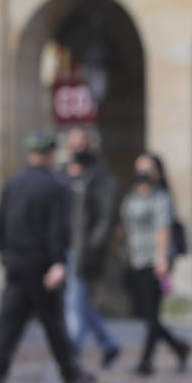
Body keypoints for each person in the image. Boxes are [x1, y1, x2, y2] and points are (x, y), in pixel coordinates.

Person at [0, 131, 92, 383]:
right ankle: (70, 372)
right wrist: (58, 262)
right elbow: (59, 228)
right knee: (54, 323)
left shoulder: (12, 182)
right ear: (51, 153)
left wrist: (5, 255)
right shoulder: (57, 185)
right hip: (44, 265)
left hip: (17, 264)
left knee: (8, 322)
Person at [119, 152, 191, 376]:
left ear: (157, 172)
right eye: (139, 167)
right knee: (144, 313)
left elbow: (163, 229)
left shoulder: (161, 197)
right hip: (134, 259)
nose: (142, 173)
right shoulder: (132, 196)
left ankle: (146, 363)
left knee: (151, 314)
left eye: (147, 168)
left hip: (155, 261)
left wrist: (161, 259)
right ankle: (179, 347)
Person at [62, 127, 121, 369]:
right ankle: (107, 344)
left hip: (83, 248)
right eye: (73, 144)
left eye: (81, 144)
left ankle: (72, 352)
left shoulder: (100, 176)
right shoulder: (63, 174)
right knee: (77, 301)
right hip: (63, 245)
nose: (77, 149)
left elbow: (105, 218)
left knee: (74, 302)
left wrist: (93, 247)